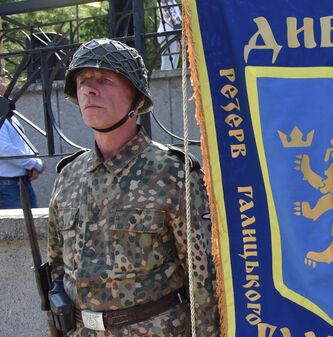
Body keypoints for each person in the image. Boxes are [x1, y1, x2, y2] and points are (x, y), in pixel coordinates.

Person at [47, 38, 218, 336]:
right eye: (83, 81)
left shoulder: (172, 173)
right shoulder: (69, 175)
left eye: (103, 79)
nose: (89, 89)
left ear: (137, 98)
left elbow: (203, 280)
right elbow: (57, 270)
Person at [0, 80, 44, 209]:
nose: (4, 84)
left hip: (17, 181)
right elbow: (4, 149)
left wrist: (31, 164)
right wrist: (35, 164)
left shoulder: (6, 112)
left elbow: (20, 144)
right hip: (6, 184)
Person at [157, 0, 182, 71]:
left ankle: (168, 81)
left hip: (172, 32)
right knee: (168, 64)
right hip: (168, 32)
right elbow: (173, 17)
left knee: (173, 63)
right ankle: (163, 82)